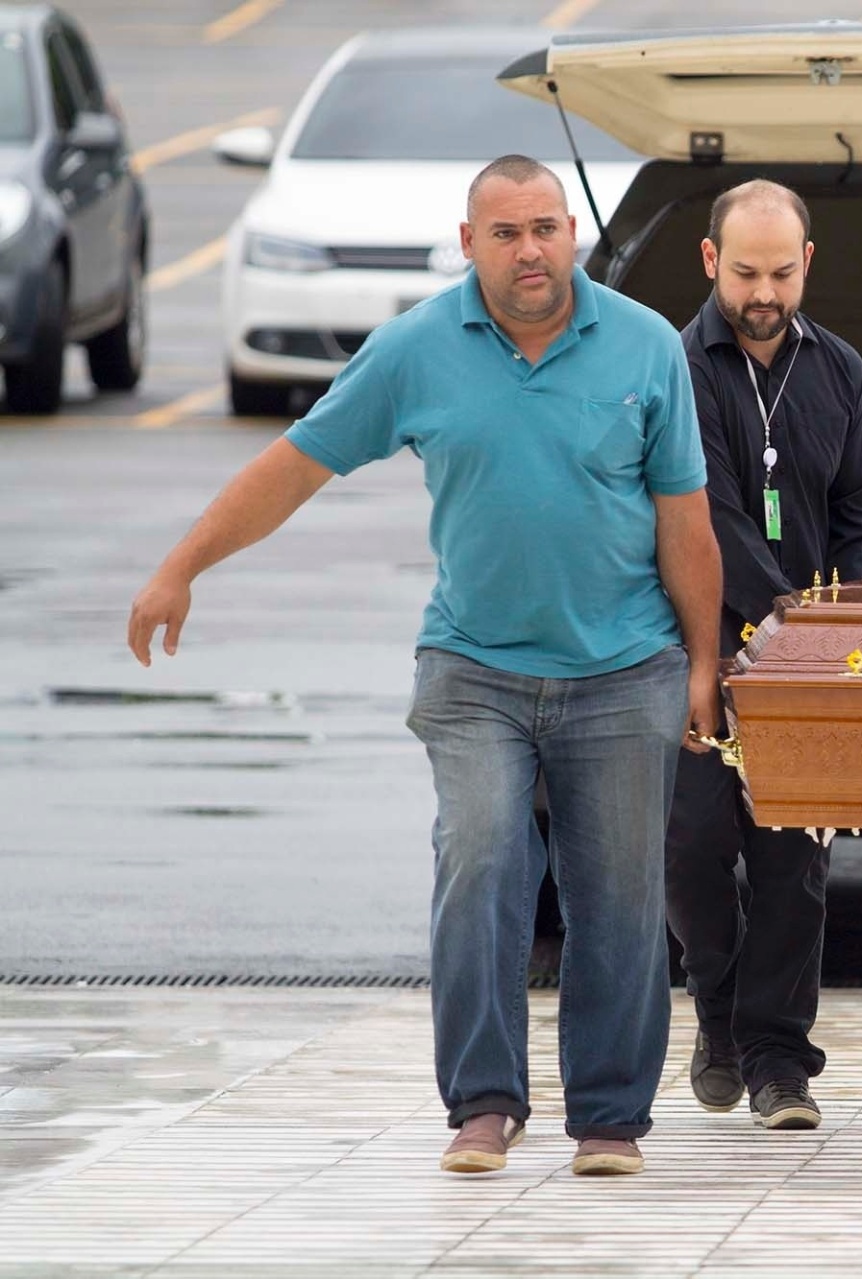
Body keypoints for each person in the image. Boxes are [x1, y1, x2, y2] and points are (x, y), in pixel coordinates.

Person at [125, 156, 722, 1178]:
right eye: (505, 233)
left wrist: (703, 662)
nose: (529, 249)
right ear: (467, 244)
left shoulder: (644, 345)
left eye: (544, 227)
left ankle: (610, 1118)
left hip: (624, 667)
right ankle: (484, 1103)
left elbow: (687, 524)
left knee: (619, 892)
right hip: (473, 667)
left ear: (571, 231)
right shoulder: (416, 349)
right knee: (481, 860)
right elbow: (294, 466)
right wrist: (182, 564)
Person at [666, 180, 862, 1131]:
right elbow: (706, 511)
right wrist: (782, 620)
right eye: (746, 271)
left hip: (811, 664)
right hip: (696, 647)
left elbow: (859, 510)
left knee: (795, 859)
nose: (764, 293)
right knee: (692, 851)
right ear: (712, 261)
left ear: (809, 264)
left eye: (782, 272)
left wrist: (860, 629)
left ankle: (778, 1060)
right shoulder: (674, 367)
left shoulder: (840, 370)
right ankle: (716, 1010)